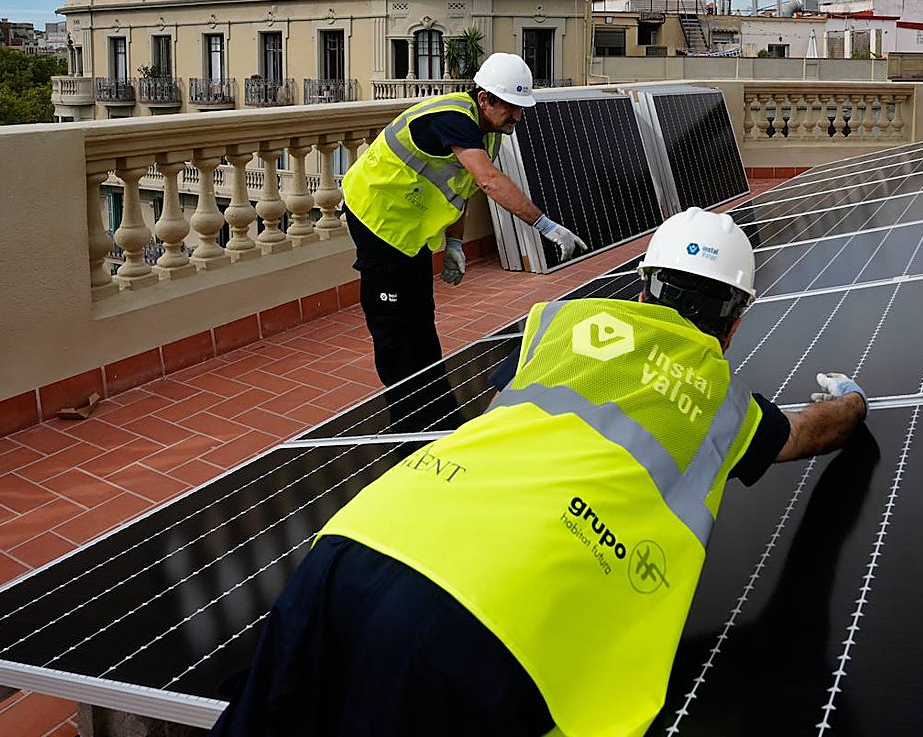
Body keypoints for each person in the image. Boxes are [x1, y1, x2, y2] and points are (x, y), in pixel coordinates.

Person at [209, 207, 868, 737]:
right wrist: (851, 401)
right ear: (733, 325)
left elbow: (492, 416)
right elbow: (814, 433)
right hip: (486, 625)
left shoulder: (559, 321)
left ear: (642, 288)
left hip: (359, 545)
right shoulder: (725, 405)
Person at [341, 52, 587, 393]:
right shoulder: (453, 117)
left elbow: (463, 189)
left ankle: (431, 396)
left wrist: (455, 242)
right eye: (510, 106)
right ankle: (404, 410)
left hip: (409, 227)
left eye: (521, 108)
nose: (517, 116)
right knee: (394, 325)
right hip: (375, 216)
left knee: (421, 316)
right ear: (483, 99)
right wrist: (545, 225)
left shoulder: (488, 134)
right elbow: (488, 181)